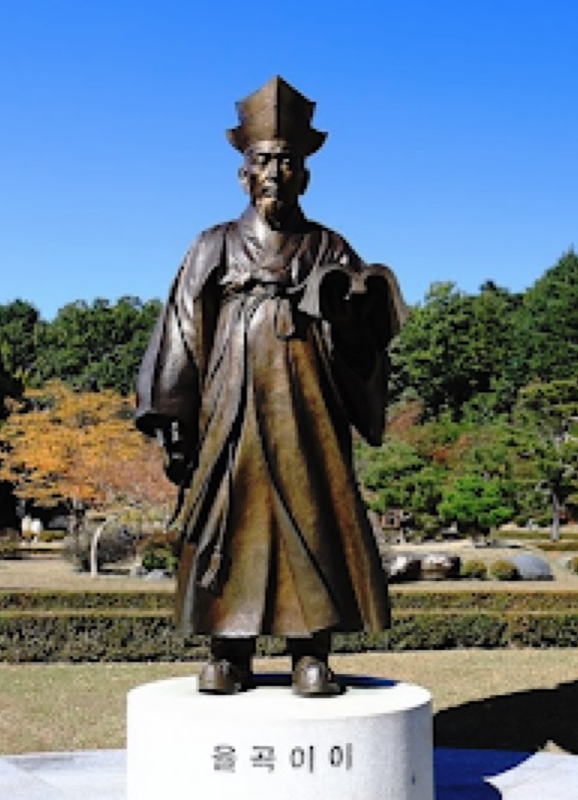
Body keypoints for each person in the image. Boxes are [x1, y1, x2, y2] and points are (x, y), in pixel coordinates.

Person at [135, 76, 406, 697]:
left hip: (306, 410)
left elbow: (364, 328)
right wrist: (174, 414)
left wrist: (355, 312)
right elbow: (182, 325)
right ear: (243, 175)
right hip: (229, 404)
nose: (275, 174)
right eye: (263, 162)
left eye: (287, 162)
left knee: (311, 516)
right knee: (225, 515)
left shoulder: (329, 246)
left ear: (305, 175)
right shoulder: (212, 246)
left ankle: (311, 651)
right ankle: (227, 649)